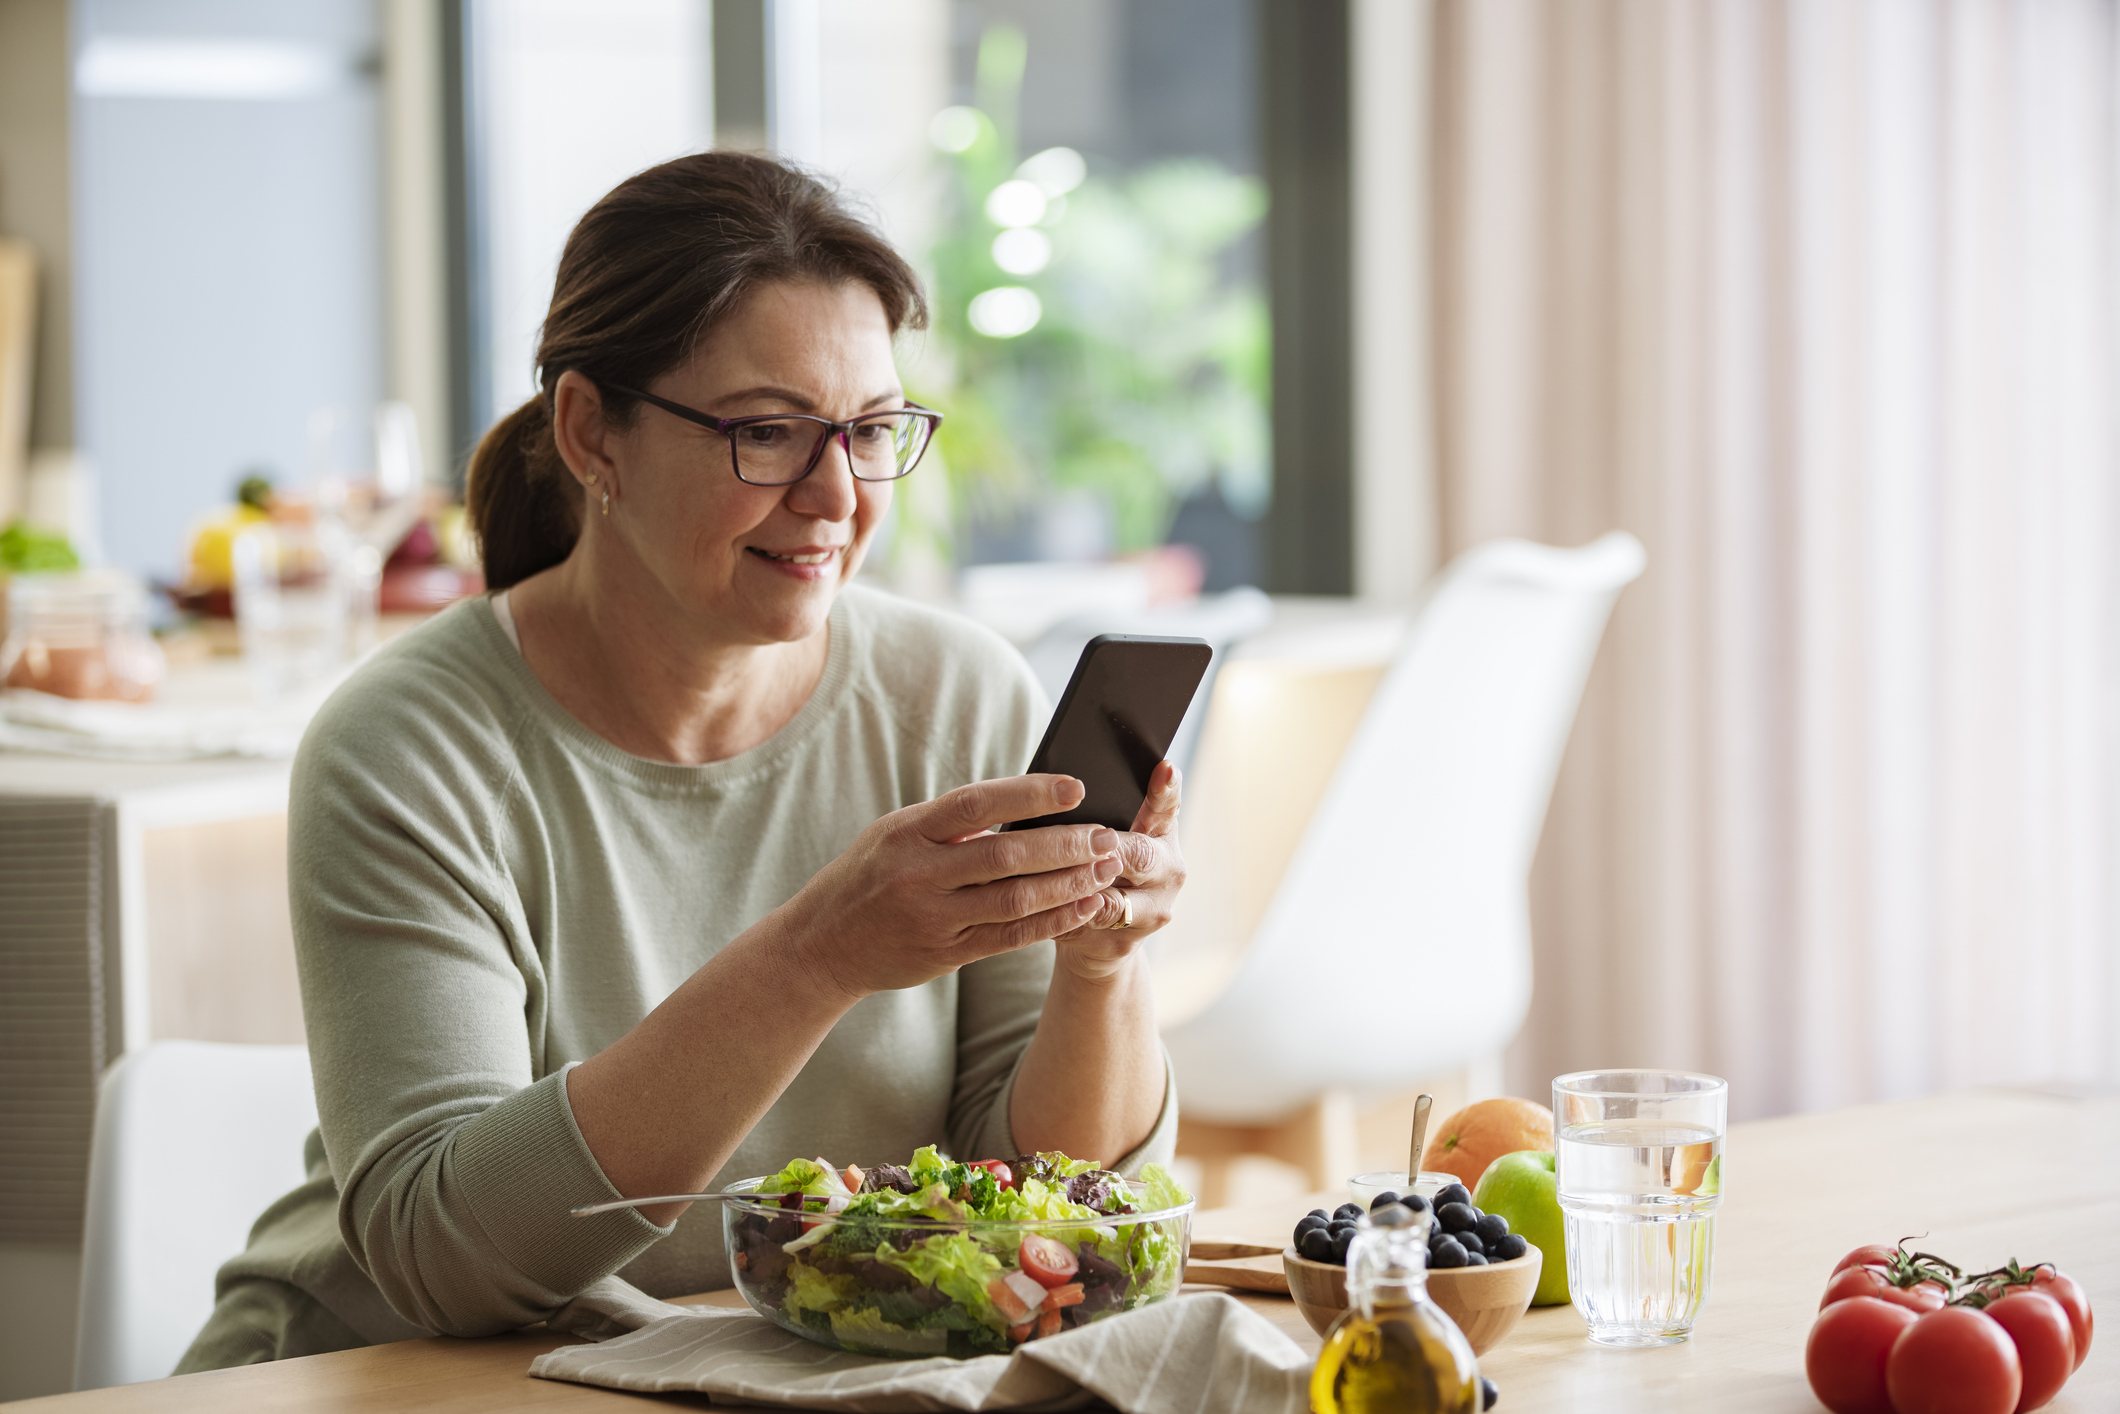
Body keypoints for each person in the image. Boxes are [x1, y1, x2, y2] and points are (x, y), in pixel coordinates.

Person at [177, 151, 1184, 1370]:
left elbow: (1032, 1215)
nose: (834, 496)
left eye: (869, 432)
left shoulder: (954, 695)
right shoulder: (411, 744)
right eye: (766, 433)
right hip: (378, 1376)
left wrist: (1096, 969)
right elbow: (443, 1260)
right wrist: (818, 955)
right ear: (591, 431)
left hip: (745, 1374)